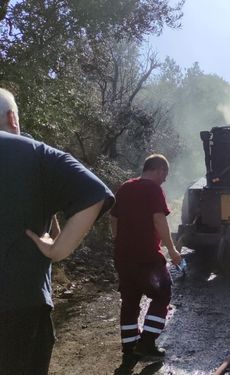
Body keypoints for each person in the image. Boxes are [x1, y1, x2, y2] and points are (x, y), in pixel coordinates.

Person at [0, 88, 114, 374]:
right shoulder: (32, 153)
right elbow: (95, 193)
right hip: (19, 305)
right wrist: (57, 249)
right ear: (12, 117)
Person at [110, 154, 182, 368]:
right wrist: (172, 250)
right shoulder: (153, 190)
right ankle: (147, 343)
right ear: (158, 170)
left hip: (123, 257)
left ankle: (130, 347)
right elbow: (158, 219)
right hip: (147, 257)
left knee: (130, 300)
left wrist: (119, 241)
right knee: (162, 293)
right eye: (165, 175)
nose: (165, 180)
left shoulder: (124, 188)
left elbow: (113, 219)